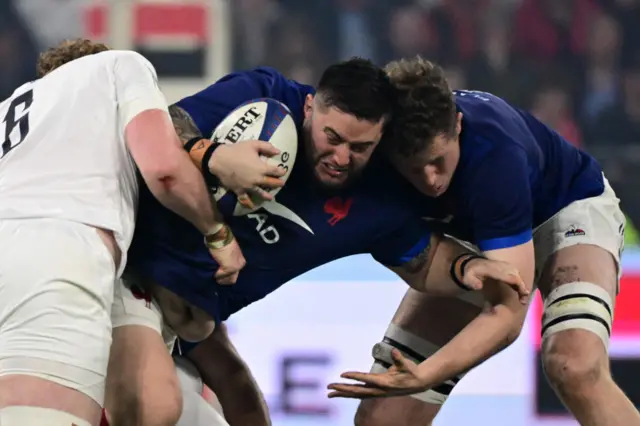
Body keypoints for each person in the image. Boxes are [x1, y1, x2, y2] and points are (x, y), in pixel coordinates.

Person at [105, 59, 529, 426]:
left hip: (194, 321)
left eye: (361, 147)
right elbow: (160, 128)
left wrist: (470, 268)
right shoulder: (263, 97)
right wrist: (211, 154)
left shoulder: (378, 200)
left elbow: (423, 259)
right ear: (310, 107)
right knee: (153, 408)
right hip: (135, 273)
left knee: (246, 404)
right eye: (333, 138)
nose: (342, 157)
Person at [328, 56, 637, 426]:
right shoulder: (377, 158)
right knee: (383, 418)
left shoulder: (494, 153)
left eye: (438, 161)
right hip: (471, 241)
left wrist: (427, 374)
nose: (430, 181)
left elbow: (507, 314)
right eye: (413, 168)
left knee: (574, 365)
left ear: (458, 124)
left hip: (566, 209)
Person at [0, 38, 276, 426]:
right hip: (60, 255)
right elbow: (164, 167)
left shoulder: (11, 112)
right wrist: (217, 232)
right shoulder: (117, 67)